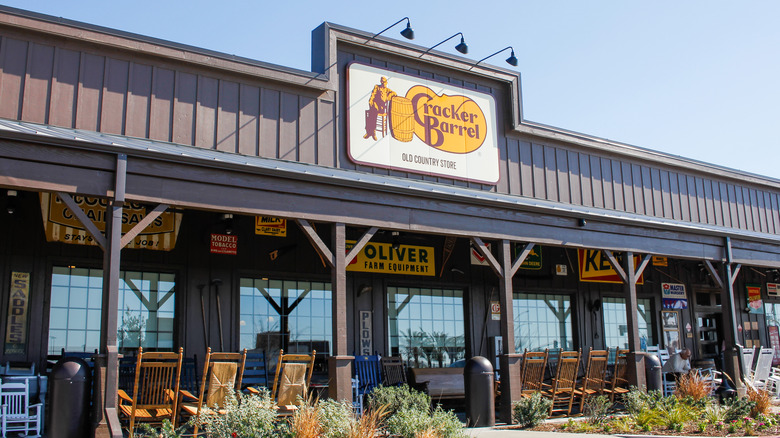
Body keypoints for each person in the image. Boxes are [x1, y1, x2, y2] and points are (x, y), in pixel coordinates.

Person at [363, 76, 396, 141]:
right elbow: (373, 95)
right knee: (372, 112)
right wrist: (370, 102)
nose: (384, 83)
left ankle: (371, 132)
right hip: (375, 105)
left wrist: (388, 97)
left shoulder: (387, 90)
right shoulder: (377, 87)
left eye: (385, 82)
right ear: (381, 82)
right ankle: (370, 132)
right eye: (383, 82)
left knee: (372, 114)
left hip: (381, 108)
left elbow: (394, 93)